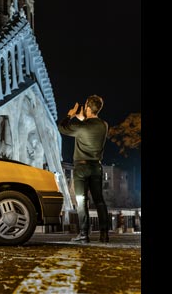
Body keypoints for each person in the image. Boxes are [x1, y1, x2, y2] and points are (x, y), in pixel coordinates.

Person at [58, 95, 110, 243]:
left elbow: (62, 128)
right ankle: (104, 234)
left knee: (81, 200)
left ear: (87, 107)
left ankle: (83, 234)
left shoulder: (81, 127)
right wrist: (83, 119)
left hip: (81, 167)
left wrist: (71, 114)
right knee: (99, 201)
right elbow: (89, 126)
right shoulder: (104, 125)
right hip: (96, 167)